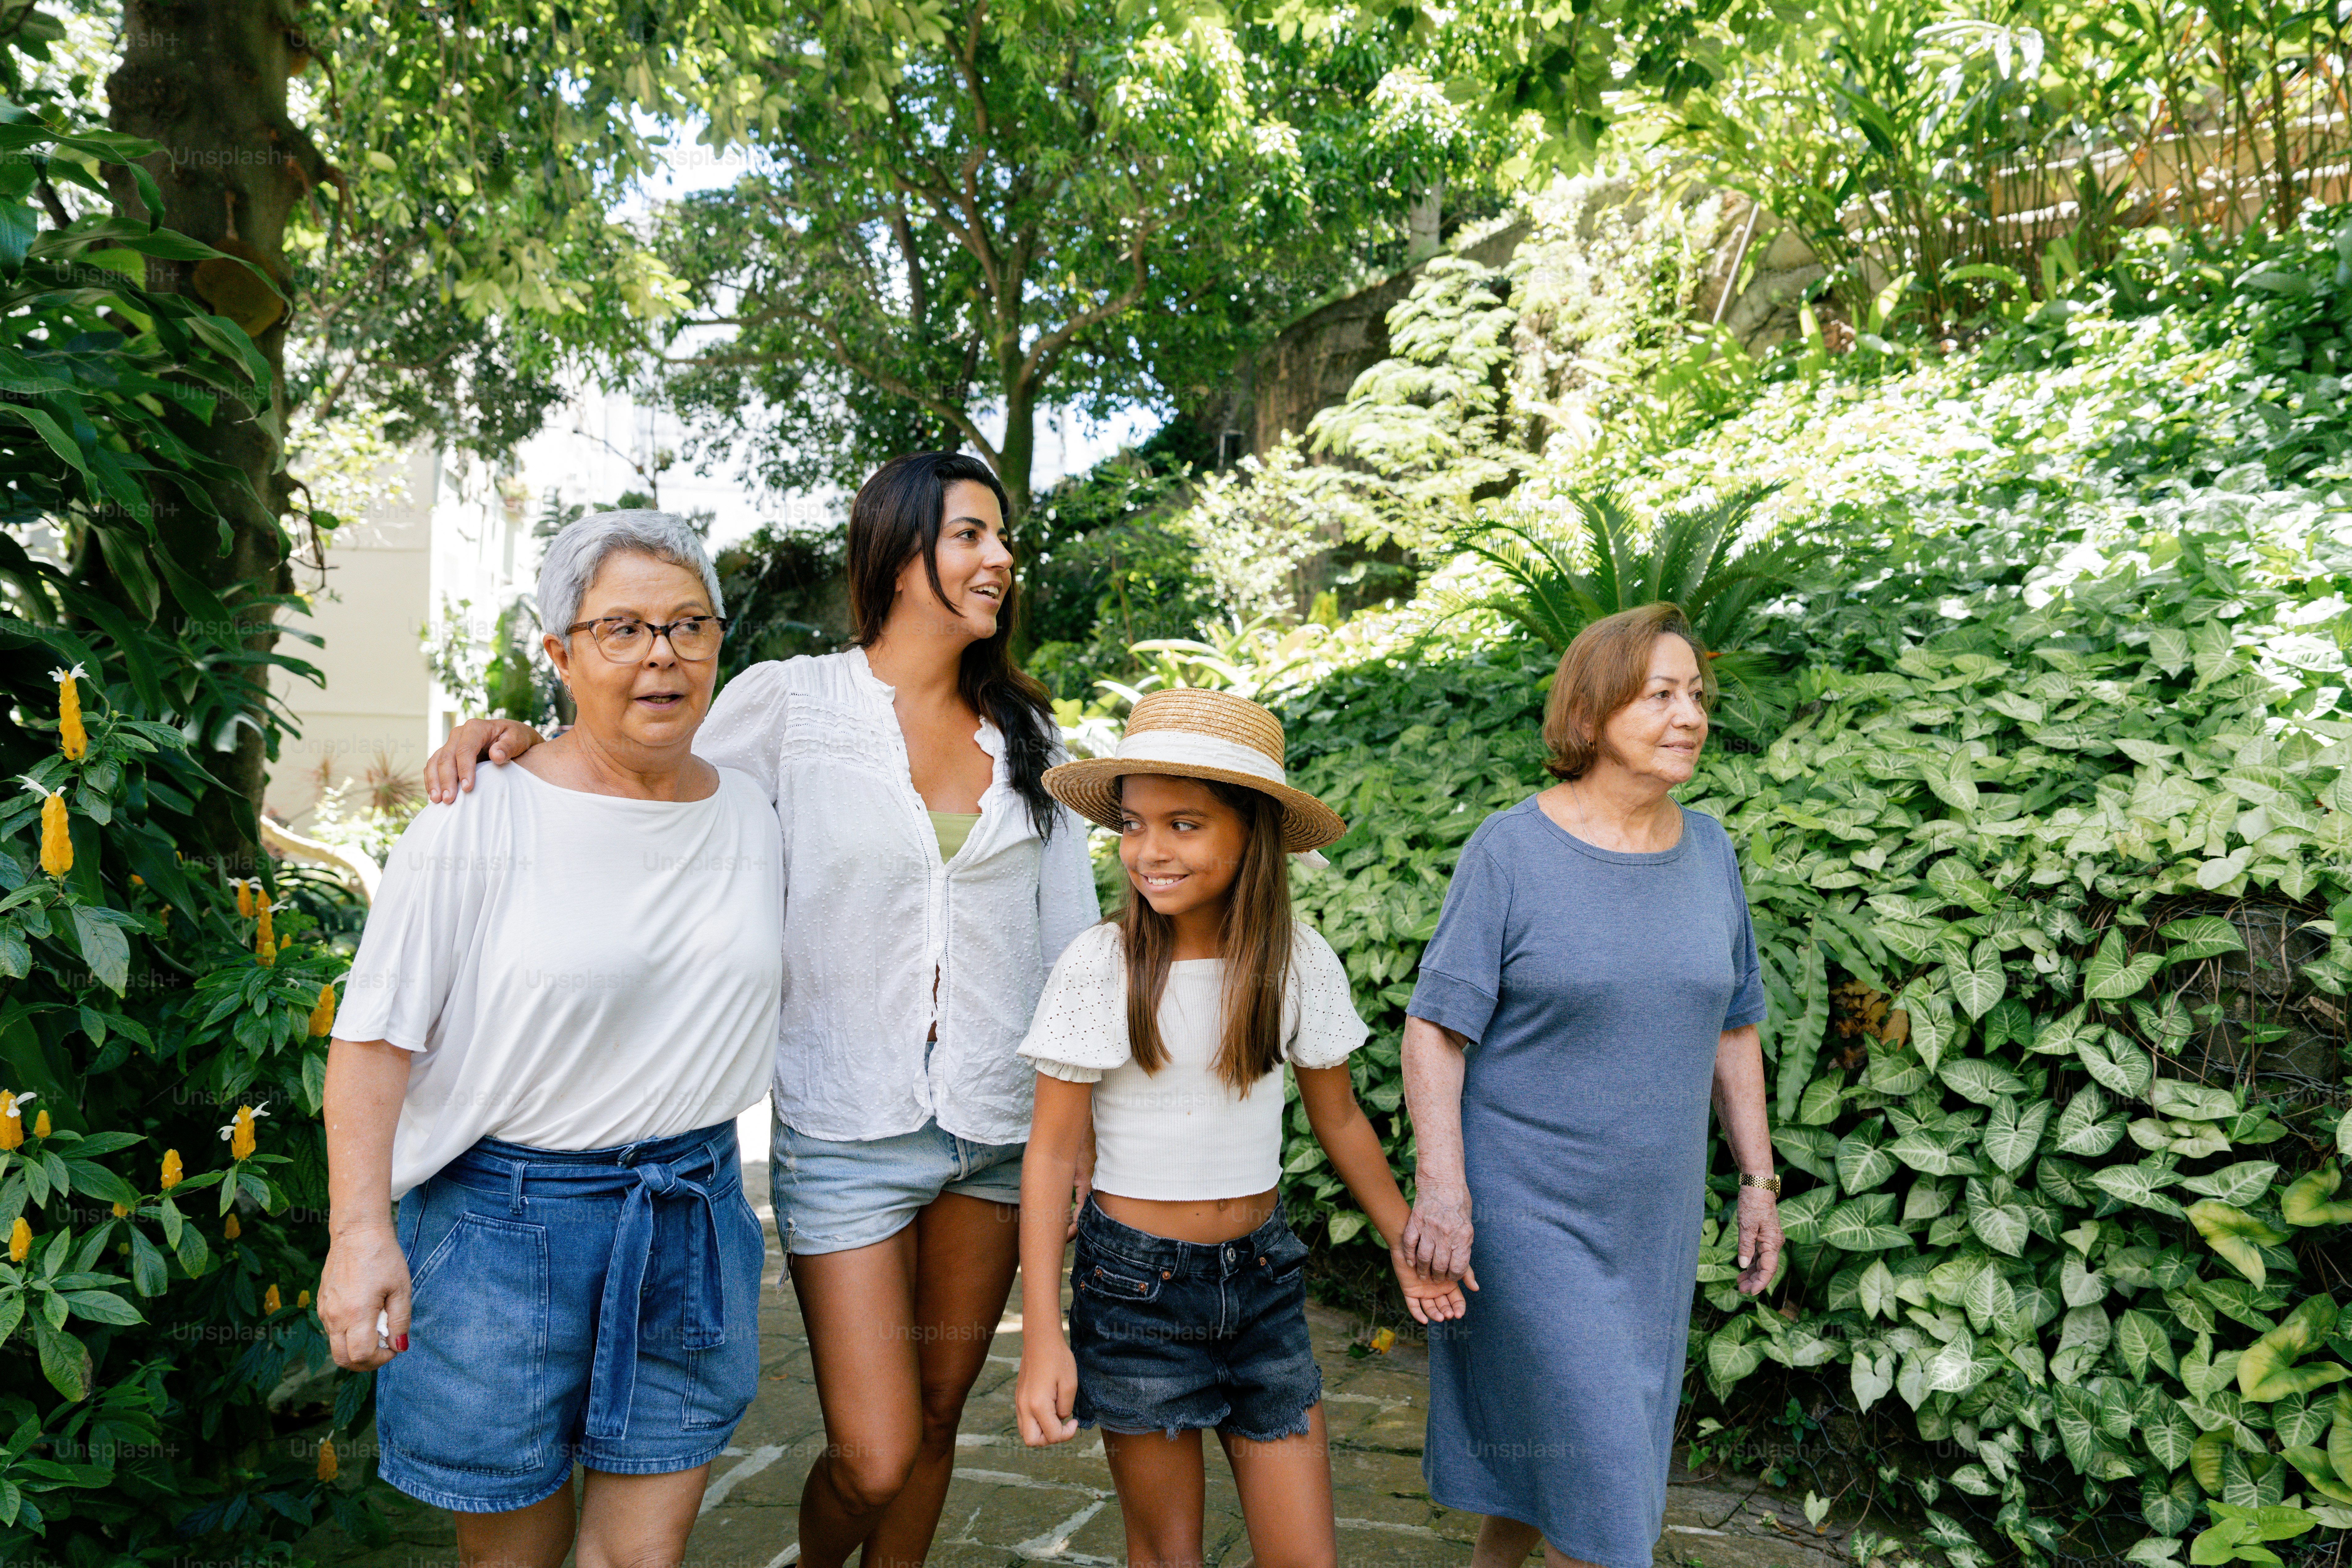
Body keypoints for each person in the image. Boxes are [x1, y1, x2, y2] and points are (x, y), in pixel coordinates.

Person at [421, 452, 1099, 1568]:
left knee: (938, 1421)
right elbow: (647, 779)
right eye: (970, 535)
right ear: (899, 556)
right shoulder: (792, 703)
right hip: (846, 1128)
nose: (1000, 560)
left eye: (1002, 539)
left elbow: (1074, 949)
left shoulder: (1028, 735)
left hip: (998, 1127)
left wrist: (1081, 1137)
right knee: (873, 1453)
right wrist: (516, 743)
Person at [318, 511, 781, 1568]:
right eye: (621, 628)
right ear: (560, 655)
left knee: (638, 1561)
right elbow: (375, 1041)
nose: (662, 655)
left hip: (690, 1214)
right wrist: (359, 1236)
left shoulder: (753, 810)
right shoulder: (477, 815)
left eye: (689, 625)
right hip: (502, 1231)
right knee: (511, 1561)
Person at [1012, 689, 1470, 1568]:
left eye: (1183, 825)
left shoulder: (1297, 959)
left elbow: (1339, 1117)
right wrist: (1042, 1338)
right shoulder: (1101, 964)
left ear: (1251, 834)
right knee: (1167, 1555)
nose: (1150, 850)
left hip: (1262, 1284)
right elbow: (1050, 1153)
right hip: (1134, 1294)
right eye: (1134, 826)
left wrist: (1401, 1237)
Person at [1397, 601, 1784, 1568]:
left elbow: (1734, 1024)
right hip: (1527, 1215)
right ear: (1588, 713)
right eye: (1659, 695)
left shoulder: (1710, 851)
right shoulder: (1510, 851)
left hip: (1652, 1226)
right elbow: (1435, 1028)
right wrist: (1441, 1188)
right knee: (1605, 1486)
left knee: (1557, 1465)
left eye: (1695, 695)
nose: (1688, 715)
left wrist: (1757, 1181)